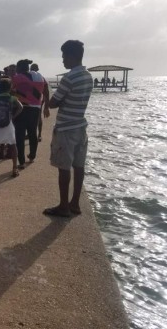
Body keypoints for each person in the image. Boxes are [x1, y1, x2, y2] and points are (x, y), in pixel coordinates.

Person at [44, 40, 93, 217]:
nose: (63, 60)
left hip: (66, 128)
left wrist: (51, 100)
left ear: (72, 57)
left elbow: (53, 103)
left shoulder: (69, 77)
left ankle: (63, 206)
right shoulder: (88, 76)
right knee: (79, 166)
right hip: (81, 126)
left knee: (63, 167)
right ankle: (75, 204)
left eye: (64, 56)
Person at [12, 59, 50, 169]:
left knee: (20, 135)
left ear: (19, 68)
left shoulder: (17, 77)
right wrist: (46, 106)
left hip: (22, 108)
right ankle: (32, 156)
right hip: (36, 109)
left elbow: (10, 91)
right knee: (33, 133)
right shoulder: (39, 76)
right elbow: (46, 90)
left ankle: (22, 162)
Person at [30, 63, 46, 142]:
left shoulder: (41, 77)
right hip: (30, 100)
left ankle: (39, 134)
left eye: (33, 68)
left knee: (39, 117)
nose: (32, 70)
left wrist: (46, 104)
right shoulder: (28, 76)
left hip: (39, 99)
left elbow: (46, 91)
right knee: (31, 118)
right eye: (31, 68)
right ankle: (31, 133)